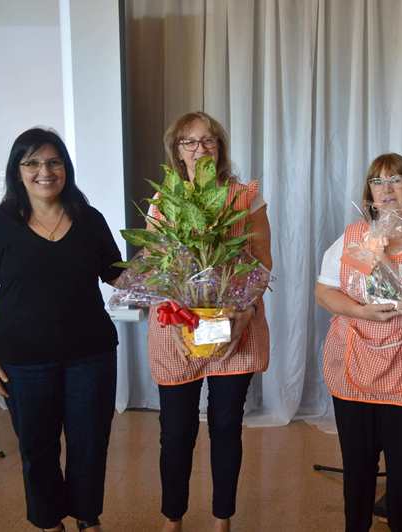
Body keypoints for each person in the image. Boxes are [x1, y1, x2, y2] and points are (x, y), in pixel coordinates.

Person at [0, 128, 121, 532]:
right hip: (23, 361)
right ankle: (49, 522)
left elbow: (118, 276)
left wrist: (171, 262)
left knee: (90, 446)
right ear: (17, 171)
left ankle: (89, 518)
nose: (44, 171)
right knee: (38, 449)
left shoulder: (89, 220)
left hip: (91, 355)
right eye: (31, 162)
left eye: (53, 162)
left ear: (65, 168)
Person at [148, 111, 271, 532]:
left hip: (235, 323)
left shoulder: (243, 196)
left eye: (208, 141)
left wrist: (242, 315)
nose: (199, 149)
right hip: (177, 328)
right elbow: (157, 268)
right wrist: (182, 318)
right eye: (189, 142)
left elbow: (260, 264)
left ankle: (223, 518)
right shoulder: (165, 201)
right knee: (176, 432)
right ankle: (173, 517)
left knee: (225, 426)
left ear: (220, 148)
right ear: (176, 150)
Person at [315, 153, 402, 532]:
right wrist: (361, 313)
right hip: (354, 365)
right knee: (358, 467)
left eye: (396, 180)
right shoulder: (354, 237)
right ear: (369, 193)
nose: (386, 189)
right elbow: (324, 292)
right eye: (378, 181)